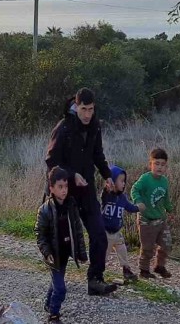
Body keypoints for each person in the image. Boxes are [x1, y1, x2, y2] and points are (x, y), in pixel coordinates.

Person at [45, 87, 117, 295]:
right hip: (65, 192)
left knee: (98, 234)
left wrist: (107, 175)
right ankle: (56, 287)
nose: (87, 114)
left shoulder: (95, 126)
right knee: (64, 242)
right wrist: (71, 174)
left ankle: (95, 279)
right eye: (84, 109)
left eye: (91, 109)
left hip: (87, 190)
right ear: (76, 106)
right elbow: (51, 161)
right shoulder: (64, 128)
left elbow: (98, 155)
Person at [36, 167, 88, 324]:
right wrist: (46, 252)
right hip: (53, 255)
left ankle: (48, 303)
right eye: (60, 187)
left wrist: (81, 252)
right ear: (51, 188)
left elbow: (78, 230)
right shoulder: (45, 210)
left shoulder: (71, 205)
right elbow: (40, 234)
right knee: (61, 288)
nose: (64, 190)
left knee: (56, 282)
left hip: (65, 254)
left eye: (66, 186)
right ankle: (53, 314)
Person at [131, 148, 174, 279]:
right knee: (147, 247)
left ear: (166, 166)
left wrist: (170, 210)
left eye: (162, 164)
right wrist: (138, 201)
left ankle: (159, 266)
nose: (159, 167)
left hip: (160, 219)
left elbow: (165, 198)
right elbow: (134, 189)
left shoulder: (164, 181)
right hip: (146, 220)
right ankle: (144, 270)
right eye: (156, 163)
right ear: (151, 164)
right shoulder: (145, 179)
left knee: (167, 244)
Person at [101, 164, 145, 282]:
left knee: (122, 251)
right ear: (112, 181)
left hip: (117, 232)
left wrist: (138, 208)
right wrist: (107, 186)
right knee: (103, 255)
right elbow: (103, 195)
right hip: (106, 233)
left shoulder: (123, 198)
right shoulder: (106, 196)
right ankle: (98, 271)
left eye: (124, 181)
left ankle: (126, 270)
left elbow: (129, 207)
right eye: (121, 180)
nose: (124, 183)